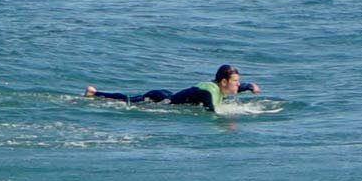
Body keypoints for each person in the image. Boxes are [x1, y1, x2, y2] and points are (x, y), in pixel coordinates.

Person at [87, 64, 255, 110]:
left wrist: (249, 86)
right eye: (236, 81)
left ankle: (95, 93)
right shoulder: (209, 92)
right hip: (159, 99)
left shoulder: (220, 86)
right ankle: (95, 94)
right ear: (223, 82)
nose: (238, 85)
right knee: (129, 100)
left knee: (131, 99)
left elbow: (237, 89)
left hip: (169, 95)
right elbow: (211, 111)